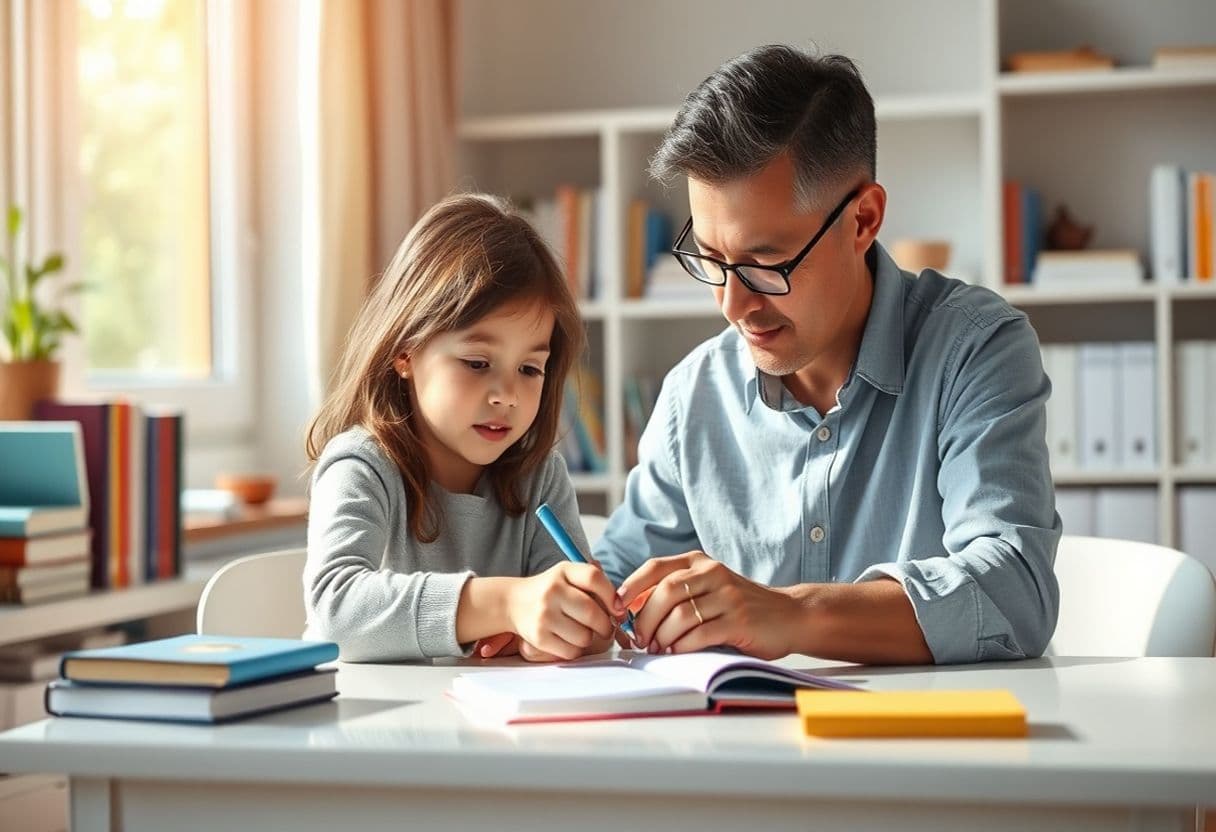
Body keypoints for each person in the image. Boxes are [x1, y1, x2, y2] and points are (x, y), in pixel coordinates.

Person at [593, 45, 1060, 665]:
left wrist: (788, 615)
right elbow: (616, 580)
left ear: (863, 219)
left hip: (931, 752)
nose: (732, 305)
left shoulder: (975, 350)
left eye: (766, 264)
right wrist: (578, 609)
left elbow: (1013, 592)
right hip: (734, 754)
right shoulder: (693, 395)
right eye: (709, 258)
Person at [304, 194, 624, 663]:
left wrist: (577, 625)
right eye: (477, 362)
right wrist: (506, 604)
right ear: (406, 352)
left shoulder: (539, 477)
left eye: (530, 369)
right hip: (367, 730)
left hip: (490, 729)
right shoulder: (361, 467)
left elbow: (572, 617)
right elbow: (336, 610)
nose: (507, 395)